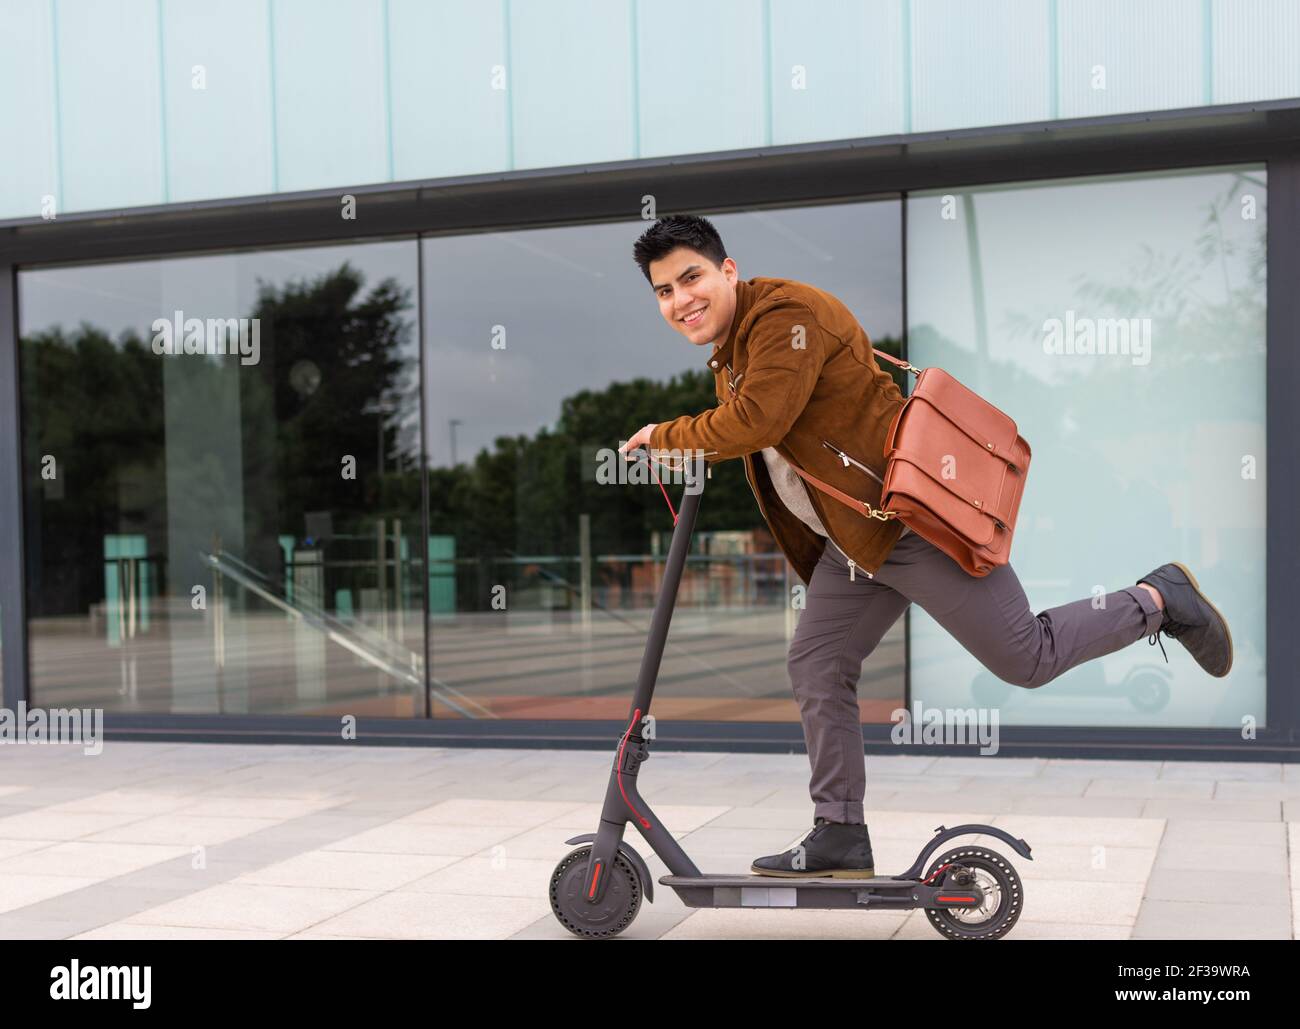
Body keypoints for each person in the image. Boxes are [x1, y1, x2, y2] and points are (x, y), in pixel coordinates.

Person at [619, 214, 1233, 880]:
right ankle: (840, 830)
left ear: (727, 270)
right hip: (856, 540)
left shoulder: (784, 315)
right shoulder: (734, 348)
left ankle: (1157, 598)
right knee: (818, 662)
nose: (680, 300)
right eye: (663, 292)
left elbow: (758, 420)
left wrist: (667, 434)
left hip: (912, 522)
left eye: (691, 278)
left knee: (1026, 656)